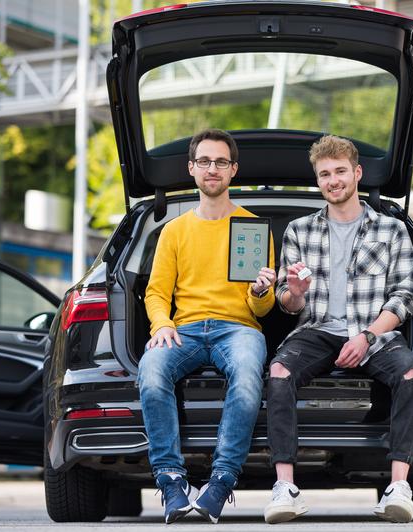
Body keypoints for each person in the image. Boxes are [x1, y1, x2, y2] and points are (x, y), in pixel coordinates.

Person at [264, 135, 413, 524]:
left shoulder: (391, 229)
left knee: (410, 373)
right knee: (279, 372)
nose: (333, 181)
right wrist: (295, 294)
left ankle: (398, 487)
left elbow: (406, 294)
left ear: (357, 173)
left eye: (339, 172)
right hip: (317, 328)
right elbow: (288, 300)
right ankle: (285, 488)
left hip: (374, 330)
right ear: (318, 181)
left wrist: (367, 336)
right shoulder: (300, 231)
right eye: (324, 175)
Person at [139, 128, 276, 524]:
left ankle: (221, 480)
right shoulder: (174, 230)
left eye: (219, 162)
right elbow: (155, 293)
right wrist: (161, 325)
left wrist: (261, 291)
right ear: (192, 168)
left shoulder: (253, 228)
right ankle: (170, 481)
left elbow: (261, 309)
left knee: (249, 374)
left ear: (233, 170)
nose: (211, 168)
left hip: (238, 328)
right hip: (183, 329)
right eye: (204, 161)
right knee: (150, 371)